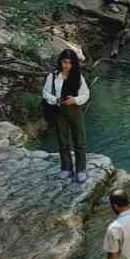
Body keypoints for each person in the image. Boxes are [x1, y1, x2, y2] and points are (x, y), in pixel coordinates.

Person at [42, 49, 92, 182]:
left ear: (74, 63)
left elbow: (86, 94)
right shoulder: (52, 76)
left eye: (70, 62)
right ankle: (66, 168)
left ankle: (81, 169)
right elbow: (45, 93)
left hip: (74, 110)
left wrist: (75, 100)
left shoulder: (78, 76)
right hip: (59, 111)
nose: (67, 65)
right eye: (64, 62)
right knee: (63, 140)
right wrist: (55, 99)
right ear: (60, 61)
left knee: (79, 140)